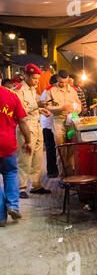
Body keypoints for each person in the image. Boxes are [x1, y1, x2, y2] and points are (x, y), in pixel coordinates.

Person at [14, 64, 52, 198]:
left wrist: (41, 110)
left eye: (38, 78)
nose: (37, 81)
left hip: (37, 125)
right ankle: (21, 188)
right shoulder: (19, 90)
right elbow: (21, 111)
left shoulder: (32, 89)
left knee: (37, 158)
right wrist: (38, 105)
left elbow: (32, 108)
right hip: (25, 127)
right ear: (26, 75)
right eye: (35, 78)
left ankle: (35, 185)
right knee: (25, 158)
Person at [0, 77, 33, 226]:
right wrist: (28, 141)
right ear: (0, 78)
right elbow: (22, 121)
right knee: (10, 173)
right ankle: (13, 205)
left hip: (7, 145)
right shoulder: (12, 95)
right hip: (7, 144)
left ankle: (1, 217)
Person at [45, 69, 81, 176]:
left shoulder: (73, 90)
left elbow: (79, 105)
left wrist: (76, 111)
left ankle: (70, 175)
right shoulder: (51, 90)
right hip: (58, 121)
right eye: (61, 82)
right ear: (57, 79)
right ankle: (63, 176)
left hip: (71, 122)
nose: (63, 84)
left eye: (65, 82)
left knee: (71, 149)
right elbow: (47, 107)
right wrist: (61, 108)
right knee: (60, 150)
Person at [40, 74, 58, 178]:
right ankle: (51, 171)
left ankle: (55, 169)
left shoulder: (51, 91)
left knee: (53, 148)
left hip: (51, 123)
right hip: (48, 124)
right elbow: (46, 108)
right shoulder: (48, 92)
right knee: (50, 148)